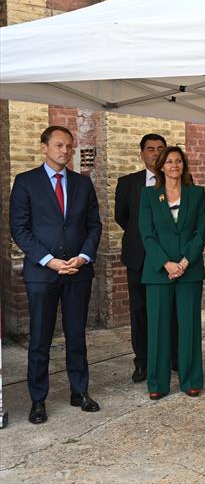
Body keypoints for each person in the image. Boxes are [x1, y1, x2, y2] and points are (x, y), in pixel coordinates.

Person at [10, 125, 102, 424]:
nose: (65, 151)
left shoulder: (82, 184)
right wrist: (49, 260)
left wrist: (84, 257)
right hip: (42, 273)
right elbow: (19, 229)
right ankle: (38, 399)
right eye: (59, 145)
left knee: (77, 335)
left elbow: (94, 225)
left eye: (69, 146)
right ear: (44, 147)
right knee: (40, 338)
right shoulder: (26, 182)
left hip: (77, 271)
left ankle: (80, 391)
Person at [138, 146, 205, 399]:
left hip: (189, 271)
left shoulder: (196, 194)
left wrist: (185, 261)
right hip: (159, 272)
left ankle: (191, 380)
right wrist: (166, 263)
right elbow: (146, 233)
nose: (174, 165)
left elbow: (201, 231)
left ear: (184, 165)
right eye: (169, 161)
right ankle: (157, 384)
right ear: (161, 166)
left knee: (189, 327)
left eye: (178, 161)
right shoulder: (148, 195)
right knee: (157, 328)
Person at [114, 133, 178, 383]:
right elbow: (122, 217)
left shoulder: (179, 180)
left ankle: (174, 356)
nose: (155, 153)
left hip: (172, 259)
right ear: (141, 154)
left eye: (160, 148)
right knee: (140, 312)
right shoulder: (128, 183)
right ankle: (143, 361)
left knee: (171, 310)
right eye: (150, 149)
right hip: (139, 258)